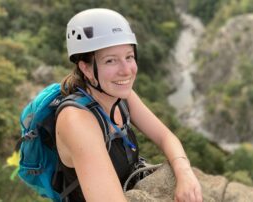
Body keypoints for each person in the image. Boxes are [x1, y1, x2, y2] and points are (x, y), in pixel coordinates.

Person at [56, 8, 202, 201]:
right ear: (86, 68)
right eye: (110, 60)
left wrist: (184, 171)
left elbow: (165, 136)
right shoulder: (77, 121)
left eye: (129, 57)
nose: (126, 71)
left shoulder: (121, 97)